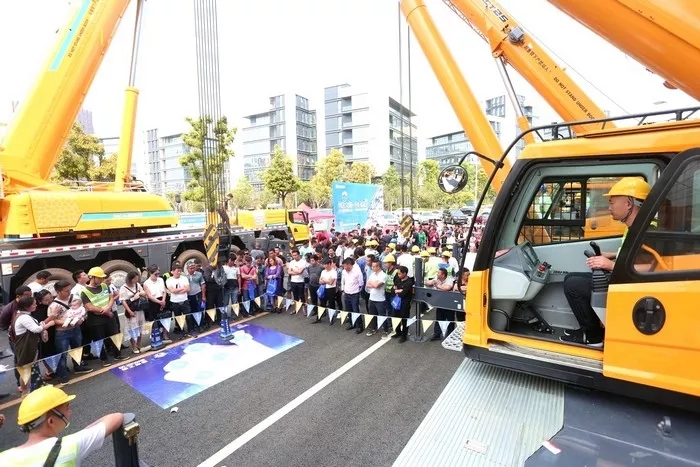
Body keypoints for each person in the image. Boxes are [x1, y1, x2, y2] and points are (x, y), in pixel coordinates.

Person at [560, 177, 652, 347]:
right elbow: (633, 254)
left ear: (628, 204)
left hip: (630, 287)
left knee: (573, 285)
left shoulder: (647, 232)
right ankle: (589, 330)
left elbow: (652, 267)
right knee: (570, 277)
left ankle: (593, 338)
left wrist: (609, 265)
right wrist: (609, 255)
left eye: (612, 203)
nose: (609, 208)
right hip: (625, 279)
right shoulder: (636, 227)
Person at [0, 385, 124, 465]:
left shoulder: (4, 459)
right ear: (51, 422)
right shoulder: (70, 446)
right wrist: (85, 432)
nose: (69, 411)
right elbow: (116, 418)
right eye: (66, 408)